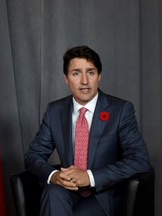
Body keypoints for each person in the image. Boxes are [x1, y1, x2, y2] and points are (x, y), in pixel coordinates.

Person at [24, 45, 150, 216]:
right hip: (68, 191)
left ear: (99, 76)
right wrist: (54, 176)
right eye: (76, 73)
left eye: (90, 72)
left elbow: (140, 160)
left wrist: (90, 177)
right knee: (52, 192)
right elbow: (33, 155)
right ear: (66, 79)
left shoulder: (120, 110)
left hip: (104, 195)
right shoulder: (55, 111)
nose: (84, 81)